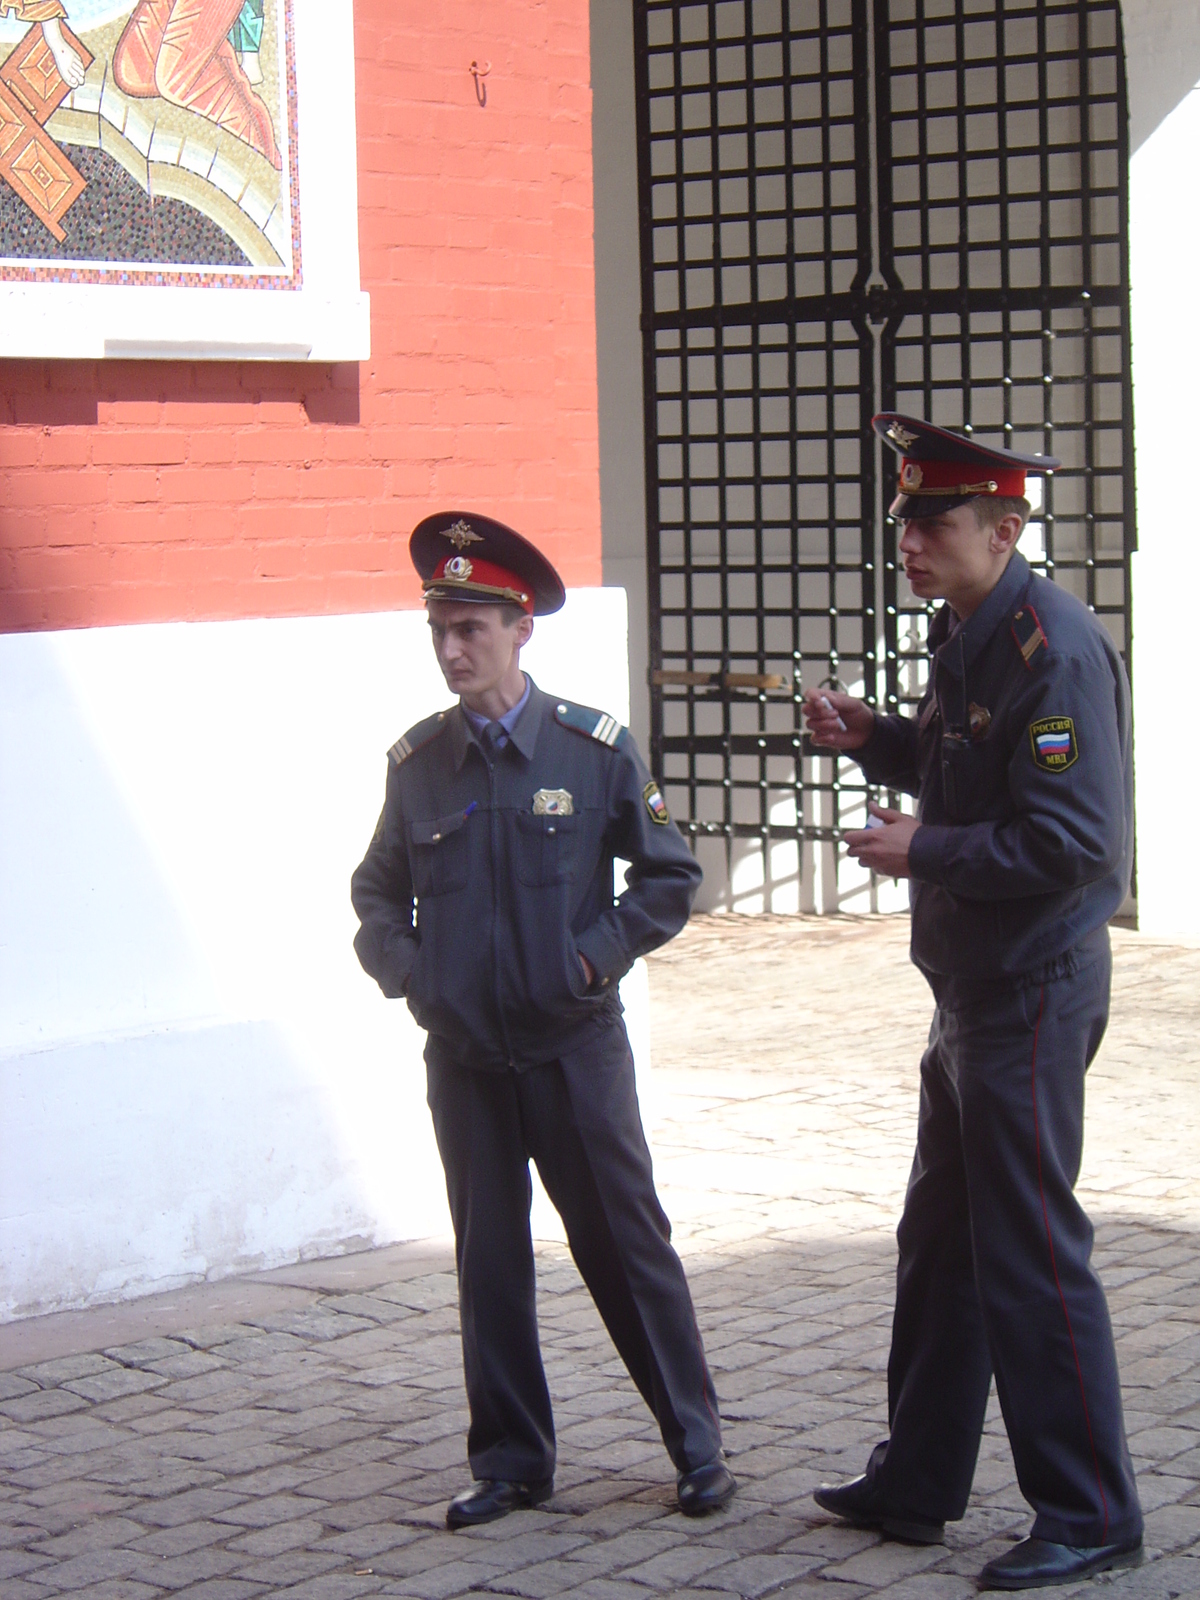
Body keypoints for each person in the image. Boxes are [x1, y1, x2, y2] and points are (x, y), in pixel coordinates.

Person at [803, 416, 1142, 1592]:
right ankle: (919, 1481)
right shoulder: (971, 632)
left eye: (933, 520)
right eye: (904, 519)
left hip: (1031, 988)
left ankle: (1092, 1510)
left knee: (1030, 1252)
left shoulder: (1053, 649)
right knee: (939, 1246)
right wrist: (880, 741)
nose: (909, 538)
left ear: (1005, 528)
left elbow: (1074, 839)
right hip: (969, 991)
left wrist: (922, 848)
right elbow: (974, 769)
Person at [351, 512, 736, 1529]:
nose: (450, 647)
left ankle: (697, 1446)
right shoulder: (418, 764)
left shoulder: (593, 748)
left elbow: (668, 878)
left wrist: (588, 957)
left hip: (573, 1050)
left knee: (625, 1243)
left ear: (521, 628)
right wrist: (415, 973)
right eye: (439, 626)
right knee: (487, 1261)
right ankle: (513, 1460)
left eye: (471, 626)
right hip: (468, 1058)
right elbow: (376, 894)